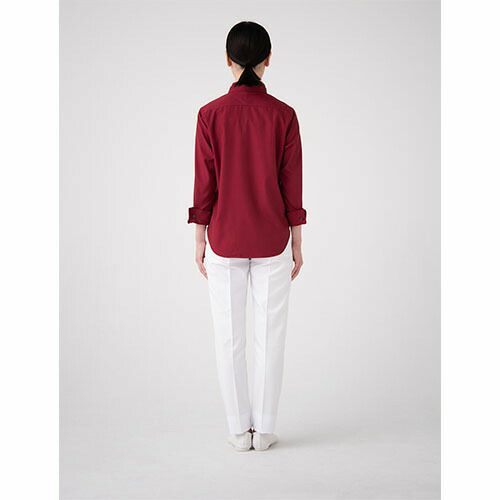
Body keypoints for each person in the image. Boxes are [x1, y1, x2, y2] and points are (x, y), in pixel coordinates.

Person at [187, 21, 307, 451]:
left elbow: (205, 183)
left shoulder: (210, 114)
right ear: (268, 59)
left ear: (228, 59)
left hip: (224, 238)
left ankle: (239, 430)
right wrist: (297, 240)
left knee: (229, 337)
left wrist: (200, 237)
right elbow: (291, 182)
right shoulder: (283, 115)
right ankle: (266, 428)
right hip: (273, 238)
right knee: (270, 337)